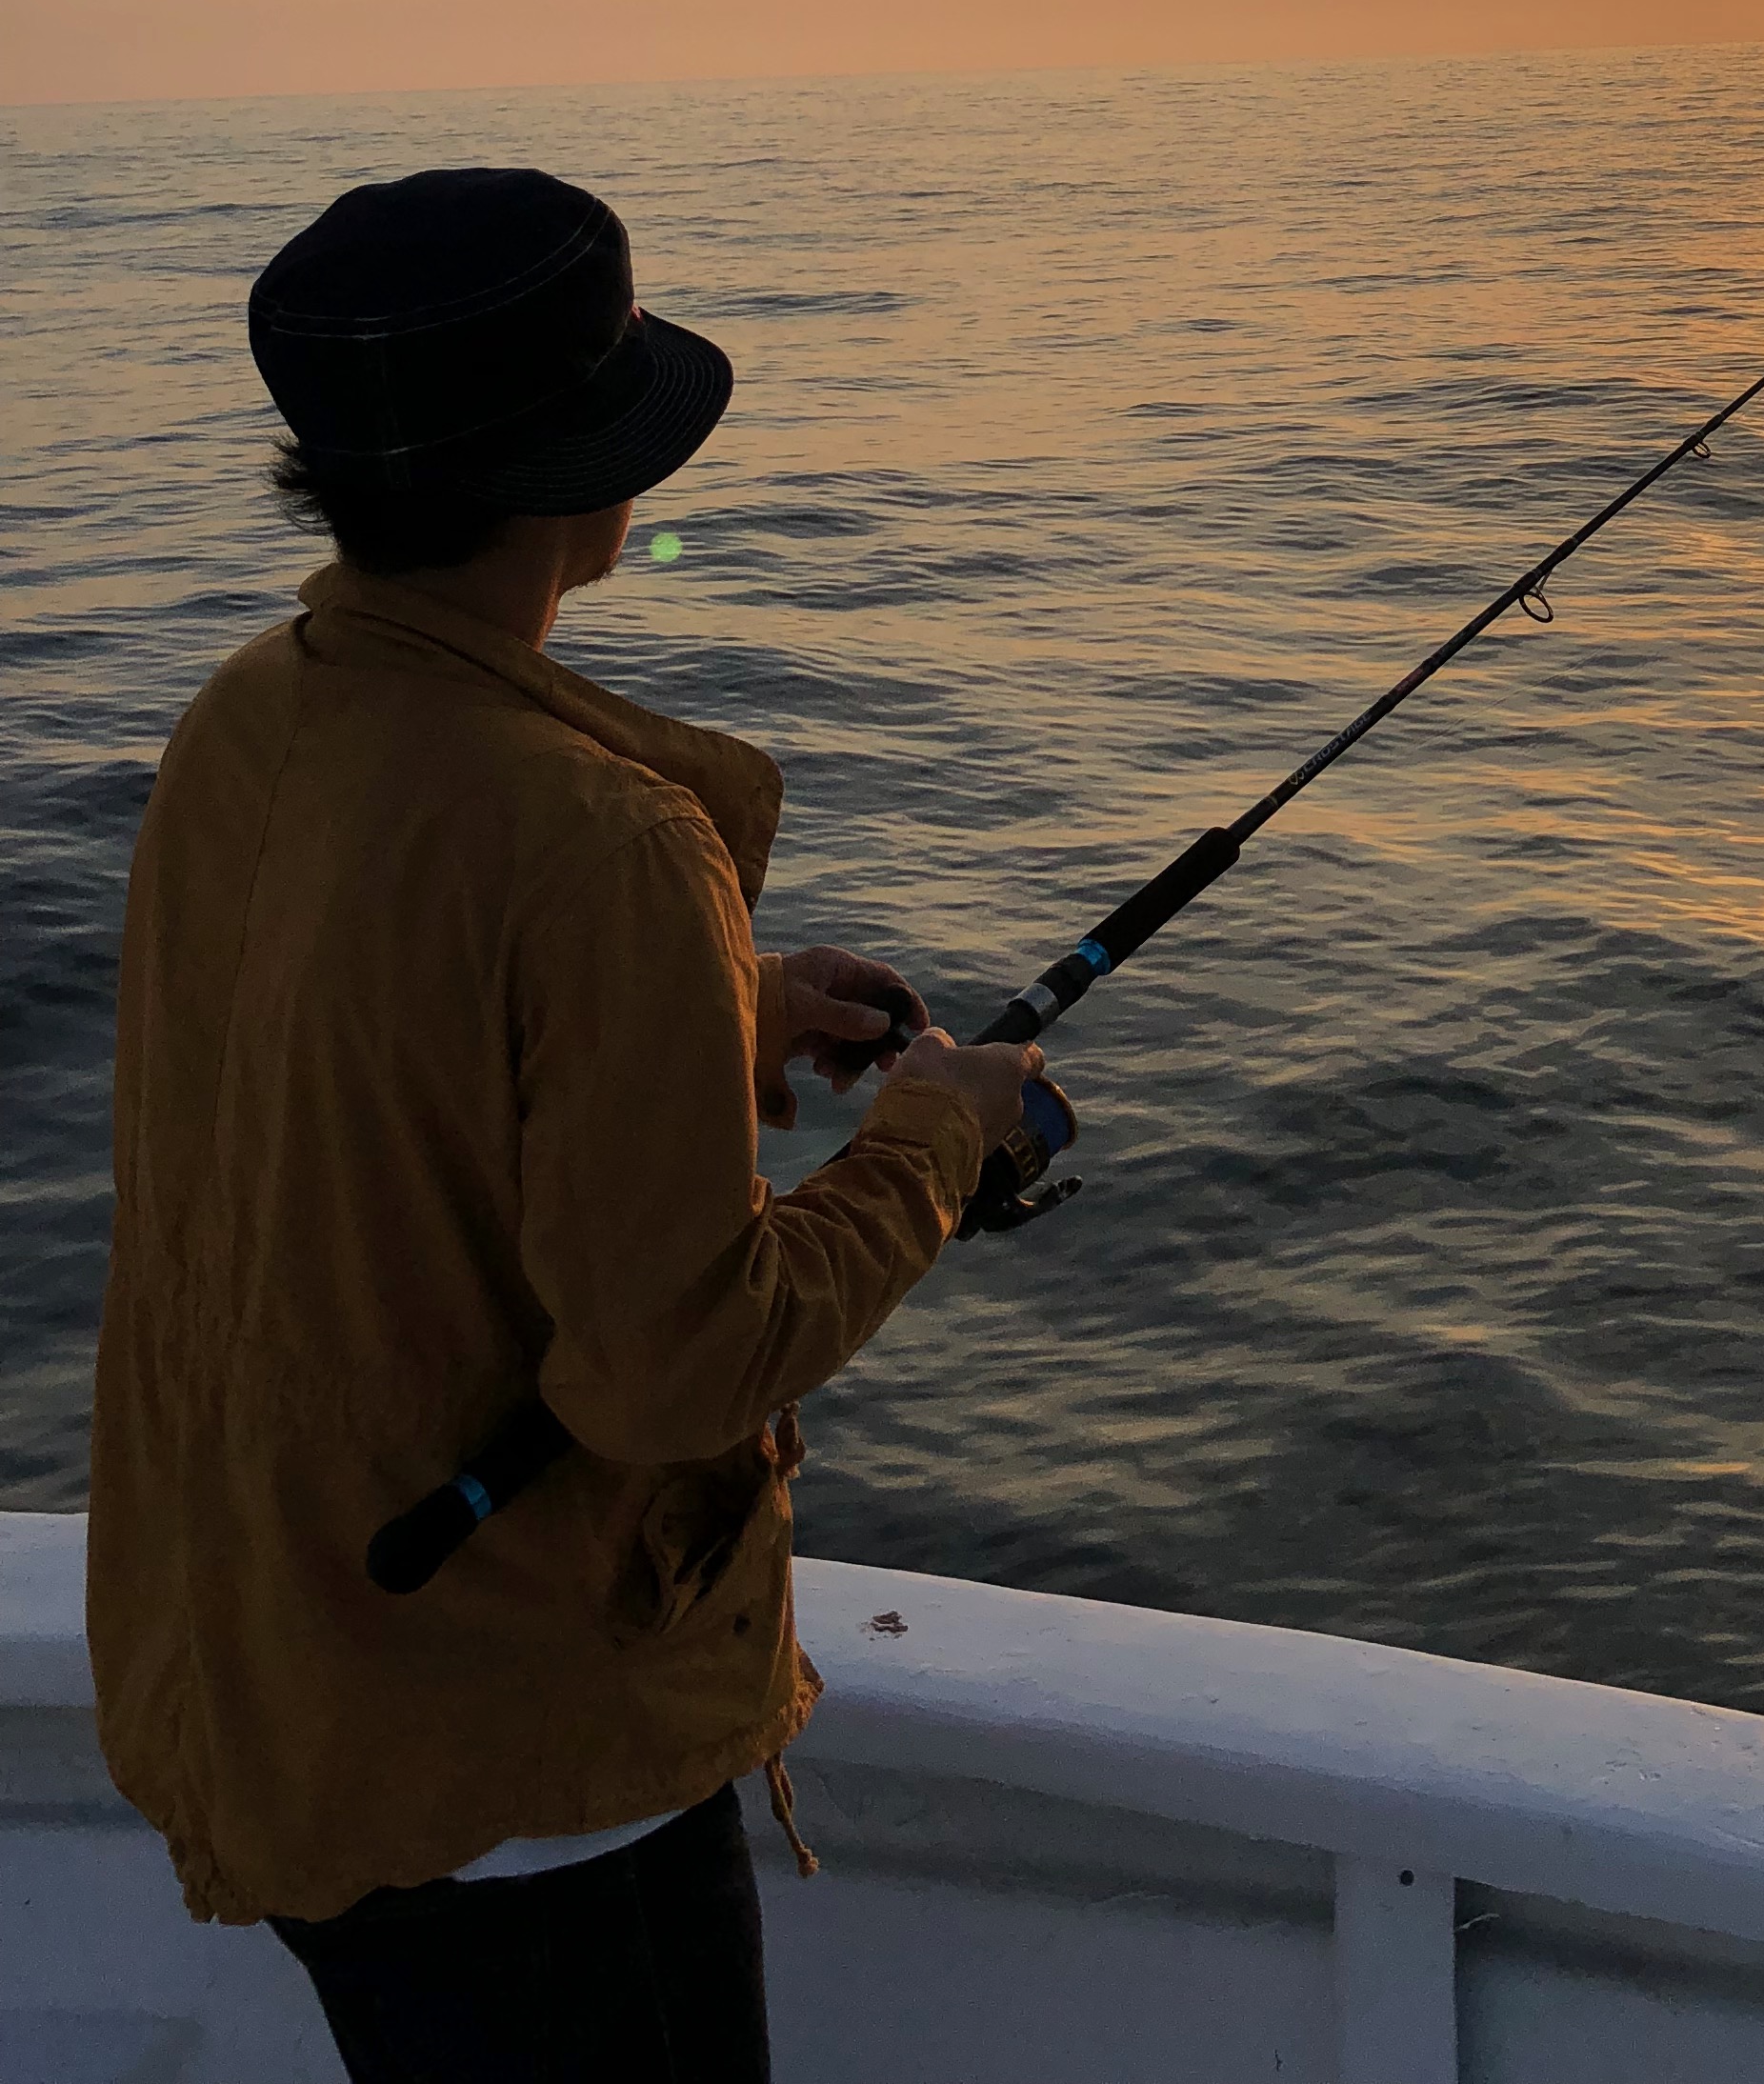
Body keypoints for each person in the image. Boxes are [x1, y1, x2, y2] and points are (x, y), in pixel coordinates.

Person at [87, 166, 1047, 2084]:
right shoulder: (605, 838)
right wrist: (933, 1136)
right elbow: (666, 1366)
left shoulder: (251, 719)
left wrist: (727, 1011)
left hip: (274, 1658)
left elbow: (351, 1076)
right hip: (516, 1765)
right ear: (563, 479)